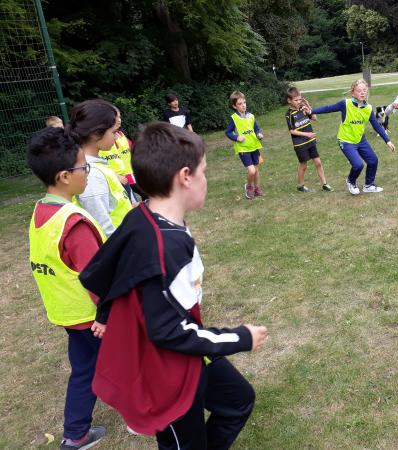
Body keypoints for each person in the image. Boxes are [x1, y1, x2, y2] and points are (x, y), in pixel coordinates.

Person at [79, 122, 268, 449]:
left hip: (190, 352)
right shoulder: (165, 245)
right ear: (184, 176)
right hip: (166, 369)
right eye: (203, 171)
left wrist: (105, 313)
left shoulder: (144, 215)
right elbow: (167, 331)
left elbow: (109, 267)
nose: (206, 180)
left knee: (238, 400)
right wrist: (239, 337)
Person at [27, 127, 108, 450]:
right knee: (130, 361)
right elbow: (96, 278)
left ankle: (75, 435)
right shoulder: (73, 223)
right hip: (94, 317)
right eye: (82, 167)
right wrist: (108, 314)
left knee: (85, 370)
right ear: (64, 176)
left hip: (67, 313)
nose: (86, 173)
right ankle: (142, 417)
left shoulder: (41, 211)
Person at [311, 79, 396, 195]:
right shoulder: (345, 104)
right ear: (353, 93)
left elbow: (377, 126)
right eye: (359, 91)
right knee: (358, 165)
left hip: (361, 140)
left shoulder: (368, 108)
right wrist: (311, 111)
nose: (362, 93)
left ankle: (369, 185)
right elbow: (328, 108)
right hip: (346, 141)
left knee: (373, 160)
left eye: (364, 90)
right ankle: (351, 181)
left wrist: (388, 141)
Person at [68, 100, 133, 237]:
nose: (116, 137)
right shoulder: (92, 175)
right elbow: (101, 227)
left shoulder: (96, 167)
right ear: (96, 134)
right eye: (113, 132)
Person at [285, 87, 333, 193]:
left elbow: (315, 118)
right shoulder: (289, 115)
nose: (299, 102)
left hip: (310, 141)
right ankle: (300, 186)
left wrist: (309, 107)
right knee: (304, 165)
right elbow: (292, 131)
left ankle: (324, 184)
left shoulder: (303, 108)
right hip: (300, 144)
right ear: (289, 100)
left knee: (318, 162)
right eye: (296, 100)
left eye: (300, 99)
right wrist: (306, 134)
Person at [225, 91, 265, 199]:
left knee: (256, 170)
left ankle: (257, 189)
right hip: (243, 148)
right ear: (234, 106)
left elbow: (256, 128)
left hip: (254, 146)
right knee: (251, 170)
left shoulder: (251, 116)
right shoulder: (234, 118)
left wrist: (259, 134)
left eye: (244, 102)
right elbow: (228, 132)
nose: (243, 105)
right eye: (240, 104)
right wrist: (236, 137)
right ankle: (249, 187)